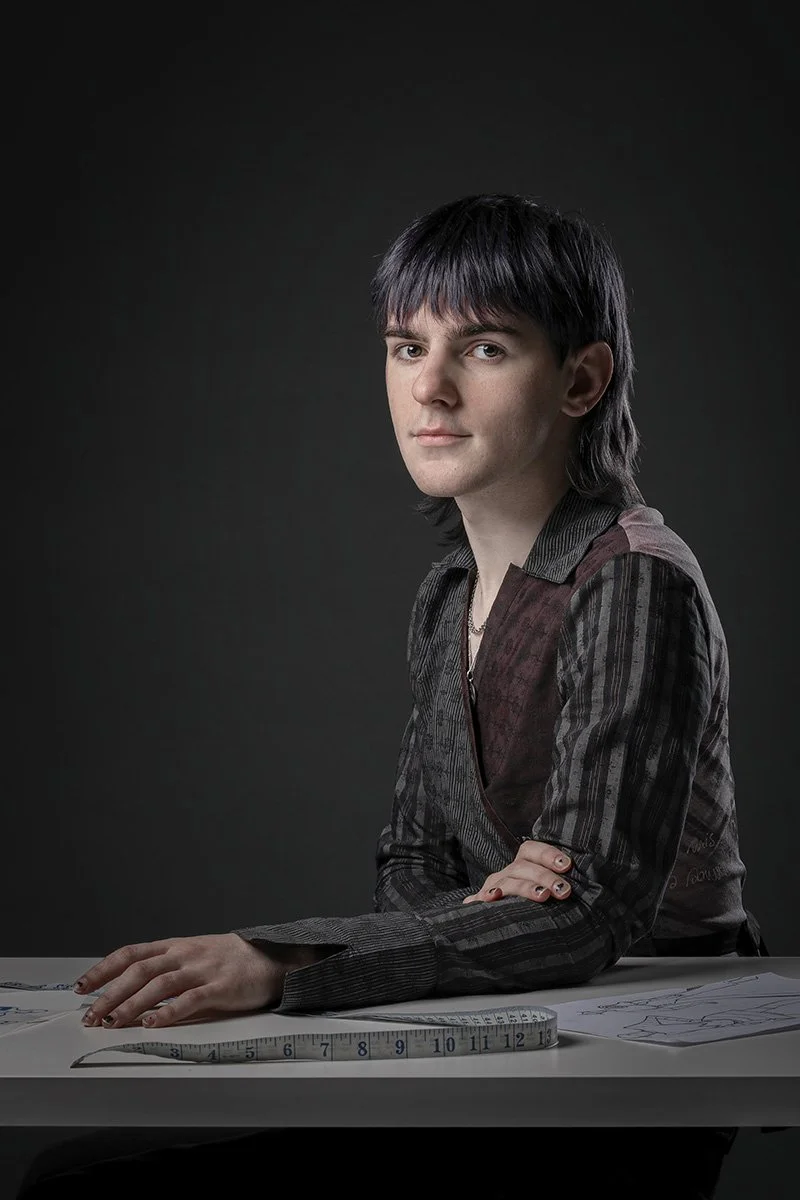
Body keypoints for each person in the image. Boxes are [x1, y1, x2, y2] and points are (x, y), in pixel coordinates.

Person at [17, 193, 768, 1199]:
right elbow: (412, 863)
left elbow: (587, 915)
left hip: (624, 1082)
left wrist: (282, 961)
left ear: (581, 377)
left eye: (486, 349)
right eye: (406, 347)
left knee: (91, 1186)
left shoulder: (630, 578)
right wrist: (496, 904)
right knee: (78, 1167)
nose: (432, 388)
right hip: (498, 1023)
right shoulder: (449, 589)